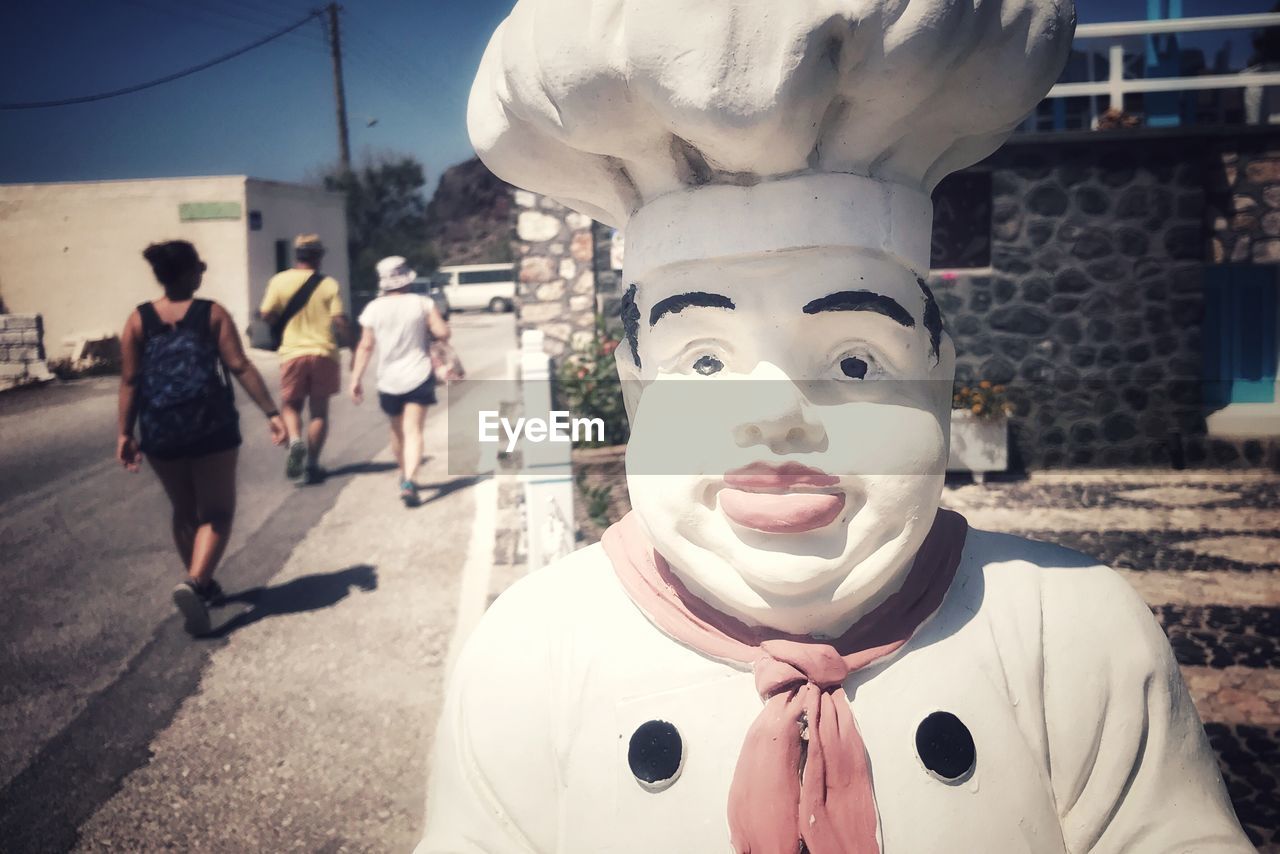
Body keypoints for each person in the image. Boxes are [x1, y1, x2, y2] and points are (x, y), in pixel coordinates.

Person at [420, 1, 1254, 852]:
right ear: (637, 391)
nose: (776, 417)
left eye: (857, 360)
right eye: (703, 362)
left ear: (939, 378)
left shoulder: (1070, 632)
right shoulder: (531, 655)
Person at [118, 240, 287, 637]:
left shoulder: (138, 320)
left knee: (184, 510)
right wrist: (272, 412)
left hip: (159, 428)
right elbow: (239, 365)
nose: (202, 275)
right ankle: (195, 583)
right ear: (189, 272)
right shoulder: (210, 313)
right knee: (218, 513)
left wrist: (125, 432)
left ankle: (204, 585)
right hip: (210, 425)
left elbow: (129, 380)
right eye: (200, 268)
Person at [349, 256, 451, 506]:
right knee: (413, 430)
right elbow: (443, 333)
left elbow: (365, 346)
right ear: (407, 279)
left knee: (396, 431)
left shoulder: (373, 308)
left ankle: (403, 474)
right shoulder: (423, 303)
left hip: (389, 380)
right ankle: (410, 480)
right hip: (418, 375)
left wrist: (356, 379)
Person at [259, 234, 352, 485]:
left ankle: (296, 442)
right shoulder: (329, 284)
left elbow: (266, 313)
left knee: (291, 405)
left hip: (292, 353)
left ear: (297, 255)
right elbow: (340, 320)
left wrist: (279, 325)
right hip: (323, 353)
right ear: (319, 256)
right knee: (319, 412)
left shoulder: (279, 281)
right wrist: (349, 341)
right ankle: (311, 464)